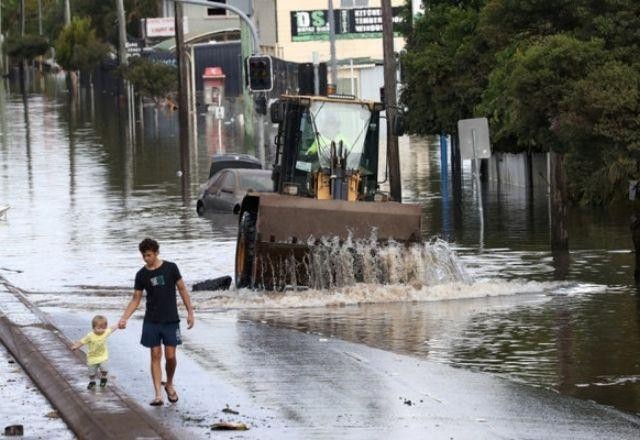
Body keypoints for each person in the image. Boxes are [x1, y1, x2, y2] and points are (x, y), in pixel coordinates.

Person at [118, 238, 195, 406]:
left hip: (171, 320)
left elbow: (182, 289)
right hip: (152, 320)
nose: (147, 258)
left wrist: (190, 311)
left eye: (149, 255)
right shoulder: (141, 275)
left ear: (156, 252)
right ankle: (158, 394)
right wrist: (124, 318)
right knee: (155, 355)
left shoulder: (171, 268)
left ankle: (169, 383)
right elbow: (135, 299)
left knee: (171, 356)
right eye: (144, 256)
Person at [71, 315, 119, 390]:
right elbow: (82, 341)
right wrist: (76, 346)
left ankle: (103, 378)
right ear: (93, 327)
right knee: (91, 373)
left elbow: (112, 328)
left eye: (103, 328)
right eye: (98, 328)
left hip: (103, 356)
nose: (101, 330)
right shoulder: (90, 335)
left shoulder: (105, 332)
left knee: (104, 369)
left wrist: (119, 323)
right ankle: (92, 381)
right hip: (92, 358)